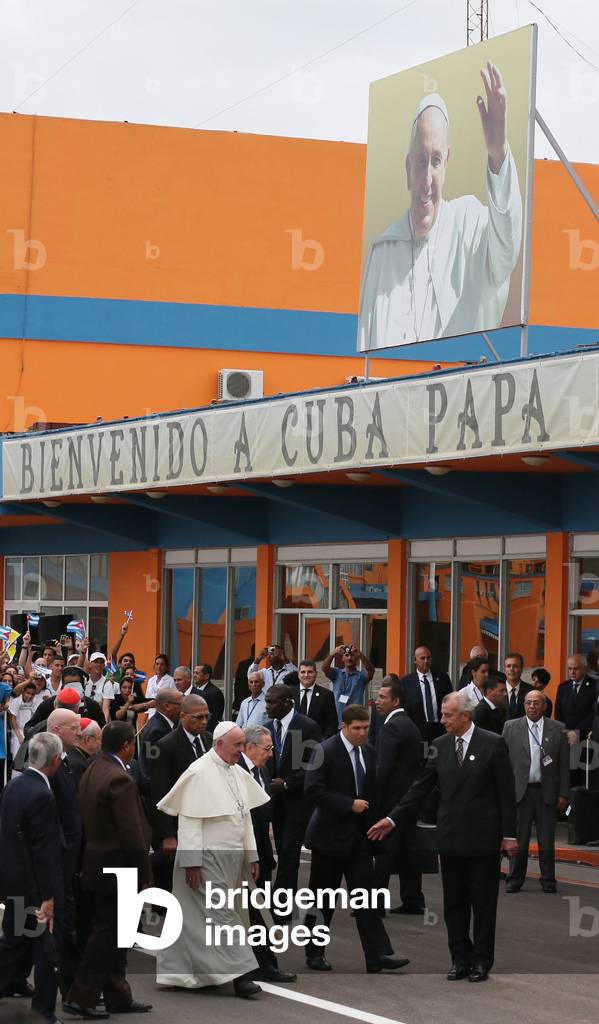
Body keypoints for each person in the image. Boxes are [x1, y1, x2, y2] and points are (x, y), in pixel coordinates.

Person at [358, 65, 522, 350]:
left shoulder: (469, 223)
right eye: (421, 162)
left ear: (446, 164)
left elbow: (507, 249)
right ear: (408, 168)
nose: (427, 182)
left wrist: (498, 154)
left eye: (435, 161)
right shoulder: (382, 253)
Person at [368, 690, 517, 983]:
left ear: (465, 716)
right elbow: (419, 789)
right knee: (454, 904)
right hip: (450, 837)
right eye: (442, 715)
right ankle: (459, 958)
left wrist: (509, 835)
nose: (442, 720)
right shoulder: (439, 745)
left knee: (483, 904)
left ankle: (481, 961)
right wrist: (392, 818)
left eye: (448, 715)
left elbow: (506, 794)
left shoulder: (493, 743)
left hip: (483, 838)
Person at [155, 722, 269, 999]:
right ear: (219, 744)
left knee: (197, 921)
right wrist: (191, 862)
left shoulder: (236, 772)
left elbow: (246, 820)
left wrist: (251, 856)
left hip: (231, 860)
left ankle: (183, 972)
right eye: (237, 745)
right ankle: (242, 976)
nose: (241, 751)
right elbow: (190, 821)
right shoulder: (198, 772)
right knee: (223, 916)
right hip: (206, 859)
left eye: (243, 745)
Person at [303, 704, 410, 974]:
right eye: (357, 729)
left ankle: (377, 955)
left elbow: (374, 794)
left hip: (360, 840)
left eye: (366, 728)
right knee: (322, 899)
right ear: (344, 726)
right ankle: (314, 952)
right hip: (329, 838)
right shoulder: (323, 750)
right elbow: (313, 790)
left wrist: (377, 826)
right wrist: (348, 804)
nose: (362, 733)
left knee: (366, 898)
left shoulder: (369, 753)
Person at [64, 721, 152, 1017]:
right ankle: (82, 996)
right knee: (108, 934)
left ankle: (118, 995)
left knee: (114, 933)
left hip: (94, 863)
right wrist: (145, 875)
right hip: (118, 867)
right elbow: (131, 833)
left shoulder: (93, 768)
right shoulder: (120, 778)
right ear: (127, 745)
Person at [0, 732, 64, 1022]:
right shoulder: (42, 795)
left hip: (13, 880)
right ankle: (44, 1013)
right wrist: (48, 897)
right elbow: (44, 850)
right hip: (34, 887)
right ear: (54, 761)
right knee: (44, 951)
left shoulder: (14, 786)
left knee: (14, 944)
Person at [239, 724, 297, 984]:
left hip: (261, 854)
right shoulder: (237, 772)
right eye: (267, 748)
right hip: (243, 855)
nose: (271, 754)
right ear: (249, 747)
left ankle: (266, 965)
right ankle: (249, 967)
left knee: (259, 912)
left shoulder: (261, 770)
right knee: (247, 913)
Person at [502, 692, 570, 894]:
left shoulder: (558, 729)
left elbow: (564, 766)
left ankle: (548, 880)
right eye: (528, 702)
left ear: (544, 707)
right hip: (519, 792)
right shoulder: (511, 727)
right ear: (524, 705)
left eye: (536, 703)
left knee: (546, 840)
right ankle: (515, 879)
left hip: (546, 792)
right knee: (519, 840)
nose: (532, 706)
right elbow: (502, 762)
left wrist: (564, 794)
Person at [371, 678, 425, 915]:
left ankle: (375, 903)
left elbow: (384, 767)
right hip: (408, 799)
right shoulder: (408, 724)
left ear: (395, 701)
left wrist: (373, 797)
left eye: (382, 698)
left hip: (392, 800)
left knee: (385, 850)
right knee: (407, 850)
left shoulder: (391, 726)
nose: (376, 702)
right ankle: (413, 899)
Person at [148, 695, 212, 891]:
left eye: (207, 717)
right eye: (198, 717)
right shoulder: (166, 746)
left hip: (205, 823)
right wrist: (167, 835)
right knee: (173, 883)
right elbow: (159, 793)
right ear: (183, 716)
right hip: (177, 824)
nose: (204, 722)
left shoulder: (209, 741)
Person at [264, 683, 321, 902]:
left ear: (287, 703)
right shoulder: (268, 727)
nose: (267, 706)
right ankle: (285, 895)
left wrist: (287, 783)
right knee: (282, 849)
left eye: (271, 702)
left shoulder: (307, 727)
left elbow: (313, 765)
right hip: (274, 801)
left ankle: (282, 902)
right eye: (266, 701)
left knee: (289, 850)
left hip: (297, 800)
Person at [400, 646, 453, 744]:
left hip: (440, 728)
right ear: (415, 660)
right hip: (418, 730)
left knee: (439, 756)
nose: (426, 661)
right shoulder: (406, 682)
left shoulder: (443, 678)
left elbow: (450, 701)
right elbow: (405, 708)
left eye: (428, 658)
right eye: (422, 658)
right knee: (424, 757)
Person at [323, 644, 375, 724]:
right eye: (346, 655)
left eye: (352, 656)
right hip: (337, 719)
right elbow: (324, 668)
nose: (349, 658)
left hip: (355, 719)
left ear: (357, 659)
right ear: (342, 658)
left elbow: (371, 671)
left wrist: (360, 655)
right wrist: (333, 653)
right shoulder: (337, 673)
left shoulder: (361, 676)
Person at [289, 660, 339, 739]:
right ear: (298, 674)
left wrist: (323, 741)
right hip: (293, 742)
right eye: (303, 672)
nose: (306, 675)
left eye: (310, 672)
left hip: (317, 744)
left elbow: (332, 722)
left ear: (316, 674)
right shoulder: (289, 693)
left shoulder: (327, 695)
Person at [555, 654, 596, 740]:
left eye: (576, 669)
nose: (572, 672)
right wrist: (565, 731)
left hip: (585, 737)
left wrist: (577, 732)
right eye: (570, 669)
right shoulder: (563, 687)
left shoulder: (595, 686)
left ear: (585, 668)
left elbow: (593, 712)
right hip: (565, 736)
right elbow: (558, 711)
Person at [8, 679, 39, 766]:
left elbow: (35, 717)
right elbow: (12, 719)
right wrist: (19, 736)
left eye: (32, 694)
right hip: (17, 732)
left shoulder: (35, 701)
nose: (30, 696)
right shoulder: (16, 701)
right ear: (23, 691)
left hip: (29, 732)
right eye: (28, 693)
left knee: (29, 760)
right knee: (17, 758)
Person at [68, 718, 102, 787]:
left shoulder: (73, 753)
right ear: (87, 739)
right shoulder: (78, 764)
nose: (100, 743)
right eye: (98, 738)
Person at [192, 664, 225, 731]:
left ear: (206, 676)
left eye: (197, 673)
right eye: (194, 673)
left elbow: (215, 717)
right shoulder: (194, 690)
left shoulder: (214, 693)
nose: (194, 675)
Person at [504, 652, 532, 719]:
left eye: (515, 666)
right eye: (508, 666)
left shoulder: (531, 691)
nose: (511, 669)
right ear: (504, 669)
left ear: (521, 669)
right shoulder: (496, 690)